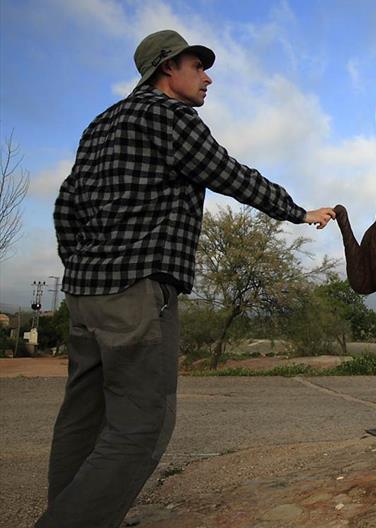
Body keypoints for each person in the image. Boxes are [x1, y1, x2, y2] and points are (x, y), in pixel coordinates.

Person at [37, 30, 335, 528]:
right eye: (198, 67)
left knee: (81, 421)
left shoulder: (100, 124)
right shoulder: (172, 117)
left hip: (85, 295)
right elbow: (230, 174)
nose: (208, 77)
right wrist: (299, 212)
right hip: (136, 293)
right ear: (167, 68)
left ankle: (70, 511)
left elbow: (65, 204)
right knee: (142, 426)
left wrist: (80, 268)